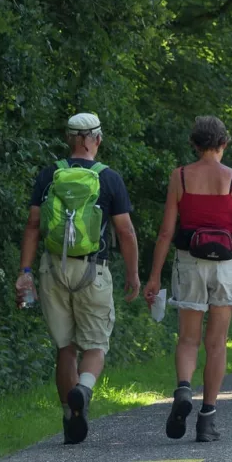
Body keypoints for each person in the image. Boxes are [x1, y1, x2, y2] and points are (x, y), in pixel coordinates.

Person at [16, 112, 141, 445]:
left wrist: (25, 272)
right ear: (91, 140)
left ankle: (71, 417)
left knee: (65, 348)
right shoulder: (109, 178)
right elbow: (125, 231)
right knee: (96, 345)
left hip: (52, 268)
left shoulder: (48, 175)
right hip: (93, 268)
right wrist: (133, 273)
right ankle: (84, 390)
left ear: (70, 139)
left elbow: (32, 226)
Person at [143, 115, 232, 442]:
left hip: (189, 262)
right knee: (216, 344)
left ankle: (183, 389)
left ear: (195, 145)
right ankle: (207, 419)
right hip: (226, 265)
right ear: (223, 144)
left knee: (187, 339)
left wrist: (154, 276)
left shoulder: (180, 177)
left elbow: (167, 230)